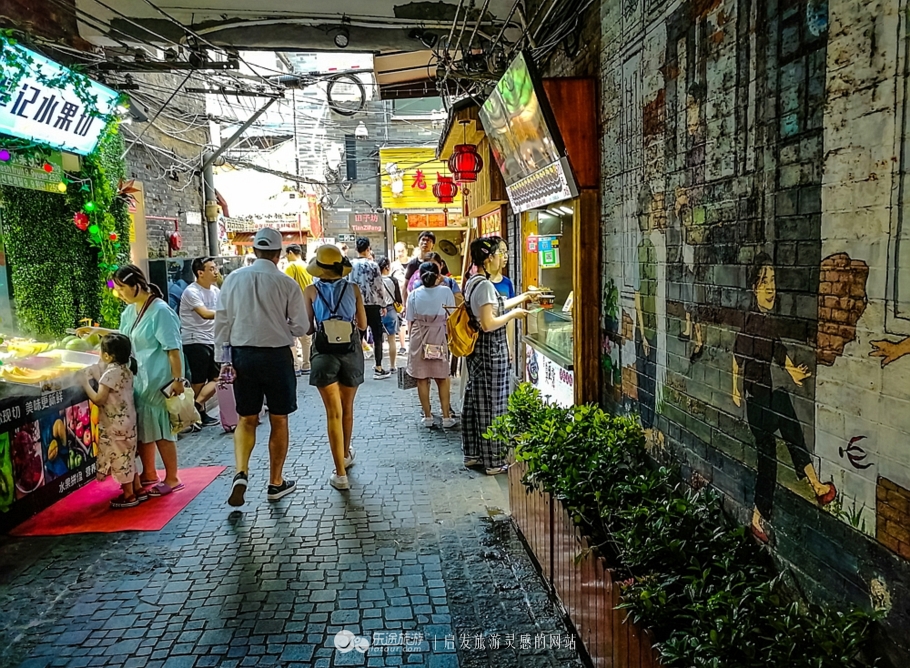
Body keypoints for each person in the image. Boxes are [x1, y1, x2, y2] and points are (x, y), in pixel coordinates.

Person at [733, 253, 836, 543]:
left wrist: (794, 373)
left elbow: (779, 353)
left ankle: (813, 487)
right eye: (765, 282)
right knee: (771, 458)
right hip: (756, 402)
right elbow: (737, 357)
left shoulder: (768, 323)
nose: (771, 288)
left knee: (779, 443)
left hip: (764, 399)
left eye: (773, 281)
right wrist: (735, 389)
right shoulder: (753, 322)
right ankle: (810, 488)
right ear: (754, 288)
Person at [215, 228, 308, 506]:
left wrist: (225, 360)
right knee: (279, 419)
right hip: (277, 356)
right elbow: (301, 326)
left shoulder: (232, 280)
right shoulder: (287, 284)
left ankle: (241, 471)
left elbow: (222, 322)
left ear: (253, 251)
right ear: (279, 254)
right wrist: (282, 325)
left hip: (243, 356)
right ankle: (275, 482)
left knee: (246, 418)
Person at [89, 265, 185, 497]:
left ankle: (172, 477)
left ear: (136, 286)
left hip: (158, 379)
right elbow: (123, 338)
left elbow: (173, 349)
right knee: (142, 426)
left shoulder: (160, 311)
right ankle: (149, 472)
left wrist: (178, 380)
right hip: (138, 379)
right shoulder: (130, 311)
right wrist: (96, 332)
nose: (119, 294)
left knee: (161, 428)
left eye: (121, 289)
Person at [461, 237, 534, 475]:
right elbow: (489, 322)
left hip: (479, 352)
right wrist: (514, 314)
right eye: (499, 254)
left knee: (476, 402)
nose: (502, 259)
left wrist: (520, 299)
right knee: (494, 406)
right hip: (491, 352)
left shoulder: (474, 281)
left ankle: (474, 454)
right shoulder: (484, 286)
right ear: (488, 258)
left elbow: (492, 307)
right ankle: (493, 461)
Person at [302, 244, 368, 491]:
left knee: (333, 413)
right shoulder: (353, 289)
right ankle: (346, 455)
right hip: (350, 350)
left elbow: (308, 328)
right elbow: (361, 324)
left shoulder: (310, 291)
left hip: (323, 351)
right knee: (347, 408)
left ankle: (340, 473)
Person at [80, 334, 139, 508]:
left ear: (107, 356)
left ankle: (129, 496)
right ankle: (137, 487)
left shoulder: (110, 373)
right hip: (128, 422)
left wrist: (85, 383)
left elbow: (99, 399)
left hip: (115, 425)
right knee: (127, 456)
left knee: (120, 457)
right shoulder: (126, 369)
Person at [406, 262, 457, 428]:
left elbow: (410, 320)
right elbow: (452, 315)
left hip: (419, 337)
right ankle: (447, 417)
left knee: (422, 379)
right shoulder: (446, 291)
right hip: (439, 336)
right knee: (442, 377)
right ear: (438, 275)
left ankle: (427, 417)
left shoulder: (413, 294)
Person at [178, 256, 221, 430]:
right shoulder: (191, 291)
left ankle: (195, 409)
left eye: (215, 268)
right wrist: (228, 312)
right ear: (200, 273)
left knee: (218, 379)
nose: (215, 271)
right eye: (211, 269)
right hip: (195, 339)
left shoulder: (216, 291)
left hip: (212, 339)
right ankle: (195, 414)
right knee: (198, 381)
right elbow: (204, 313)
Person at [347, 237, 392, 380]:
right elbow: (379, 286)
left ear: (356, 249)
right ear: (368, 249)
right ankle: (378, 367)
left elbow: (347, 285)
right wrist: (383, 304)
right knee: (377, 336)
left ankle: (357, 368)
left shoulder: (350, 265)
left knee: (357, 337)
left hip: (356, 306)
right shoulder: (373, 266)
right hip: (373, 305)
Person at [284, 244, 313, 376]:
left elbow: (285, 285)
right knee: (306, 339)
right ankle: (307, 364)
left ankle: (295, 366)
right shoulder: (307, 266)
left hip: (294, 307)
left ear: (290, 253)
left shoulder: (291, 266)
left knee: (291, 339)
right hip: (307, 306)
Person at [403, 231, 450, 301]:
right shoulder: (412, 264)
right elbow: (406, 285)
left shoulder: (439, 262)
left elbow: (448, 281)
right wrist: (404, 305)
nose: (425, 242)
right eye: (423, 240)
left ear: (433, 245)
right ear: (418, 243)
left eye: (428, 240)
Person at [377, 257, 402, 372]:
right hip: (391, 309)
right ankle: (392, 365)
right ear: (387, 267)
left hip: (378, 310)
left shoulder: (375, 280)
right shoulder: (393, 280)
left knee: (378, 339)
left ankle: (378, 365)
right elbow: (398, 298)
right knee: (391, 339)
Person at [390, 242, 410, 354]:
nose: (400, 253)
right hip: (399, 298)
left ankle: (412, 343)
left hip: (413, 296)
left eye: (402, 250)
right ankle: (403, 346)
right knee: (401, 321)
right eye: (398, 251)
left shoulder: (413, 263)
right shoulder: (393, 265)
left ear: (406, 250)